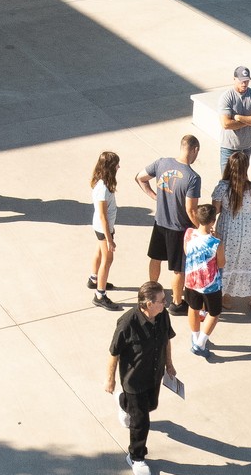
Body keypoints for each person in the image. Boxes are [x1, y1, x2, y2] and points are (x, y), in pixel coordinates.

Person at [104, 279, 178, 475]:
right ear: (148, 304)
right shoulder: (127, 323)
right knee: (141, 421)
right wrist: (110, 379)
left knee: (151, 406)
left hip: (154, 374)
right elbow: (114, 352)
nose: (166, 302)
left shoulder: (162, 316)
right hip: (134, 380)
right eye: (162, 300)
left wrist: (169, 364)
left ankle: (122, 402)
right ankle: (136, 457)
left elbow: (166, 341)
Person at [136, 136, 202, 313]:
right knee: (178, 269)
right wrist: (201, 228)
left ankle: (152, 292)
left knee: (155, 258)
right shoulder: (193, 178)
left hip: (160, 222)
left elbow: (140, 177)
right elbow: (191, 210)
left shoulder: (161, 163)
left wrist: (154, 196)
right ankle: (177, 302)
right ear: (195, 150)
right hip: (178, 228)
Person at [213, 148, 251, 316]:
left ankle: (226, 298)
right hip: (250, 231)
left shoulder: (223, 187)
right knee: (249, 262)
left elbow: (215, 211)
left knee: (227, 262)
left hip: (228, 230)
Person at [181, 202, 224, 354]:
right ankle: (200, 343)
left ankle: (195, 336)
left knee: (193, 308)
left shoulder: (188, 234)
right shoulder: (216, 243)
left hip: (191, 281)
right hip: (210, 285)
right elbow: (221, 263)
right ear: (212, 221)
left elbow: (187, 252)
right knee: (214, 313)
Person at [89, 150, 121, 310]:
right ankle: (99, 294)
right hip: (104, 229)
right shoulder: (102, 188)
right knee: (107, 260)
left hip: (101, 228)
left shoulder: (102, 183)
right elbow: (102, 215)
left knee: (99, 253)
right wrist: (110, 239)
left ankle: (94, 279)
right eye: (116, 165)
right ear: (110, 167)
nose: (119, 167)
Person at [217, 65, 251, 173]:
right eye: (241, 81)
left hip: (246, 147)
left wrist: (239, 118)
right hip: (229, 147)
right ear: (234, 79)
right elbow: (226, 124)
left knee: (242, 180)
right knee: (226, 181)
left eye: (247, 81)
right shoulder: (226, 97)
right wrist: (250, 121)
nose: (244, 83)